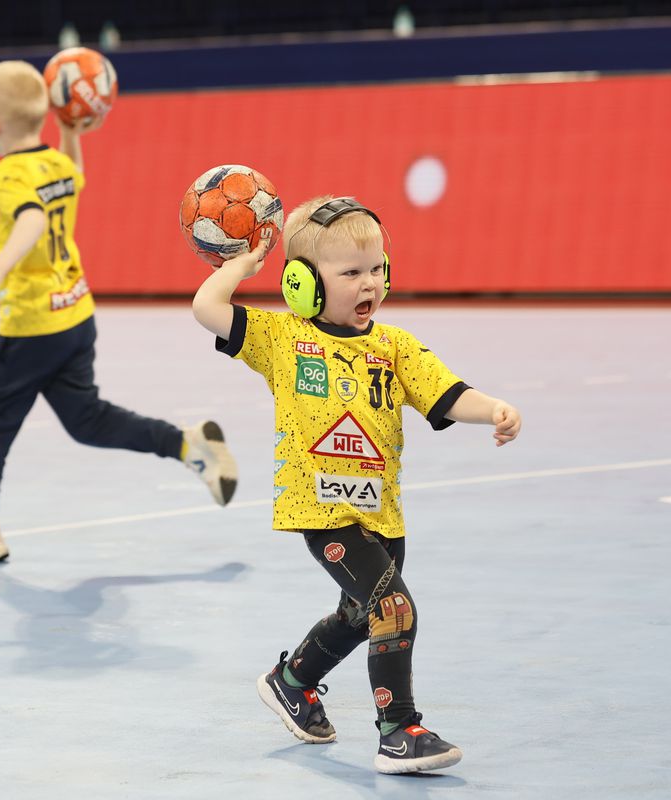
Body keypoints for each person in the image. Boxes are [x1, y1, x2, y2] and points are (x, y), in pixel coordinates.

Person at [190, 196, 522, 774]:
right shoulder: (282, 338)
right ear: (302, 284)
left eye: (376, 269)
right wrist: (243, 264)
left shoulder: (395, 346)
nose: (368, 283)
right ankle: (399, 732)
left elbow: (447, 394)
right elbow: (207, 307)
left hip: (382, 514)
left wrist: (493, 408)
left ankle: (292, 681)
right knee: (393, 607)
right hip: (322, 514)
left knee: (359, 615)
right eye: (350, 273)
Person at [0, 60, 236, 565]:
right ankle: (188, 445)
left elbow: (31, 219)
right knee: (86, 420)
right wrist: (71, 134)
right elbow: (75, 179)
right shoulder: (54, 161)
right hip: (74, 316)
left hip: (32, 326)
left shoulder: (8, 175)